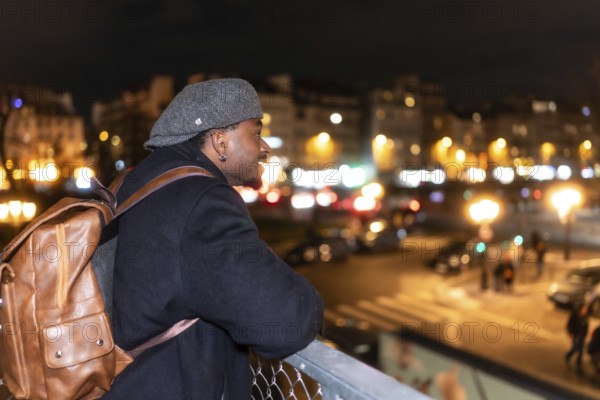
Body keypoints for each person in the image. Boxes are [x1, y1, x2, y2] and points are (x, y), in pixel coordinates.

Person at [103, 78, 324, 399]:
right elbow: (282, 323)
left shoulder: (133, 183)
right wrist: (313, 300)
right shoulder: (202, 198)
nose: (265, 148)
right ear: (220, 141)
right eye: (256, 132)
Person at [565, 302, 590, 374]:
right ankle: (568, 355)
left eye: (586, 309)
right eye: (584, 309)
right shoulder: (575, 315)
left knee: (581, 350)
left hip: (581, 335)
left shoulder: (586, 317)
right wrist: (570, 332)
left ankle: (579, 363)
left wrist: (585, 336)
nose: (585, 310)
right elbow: (569, 324)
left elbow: (586, 327)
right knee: (575, 347)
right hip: (575, 334)